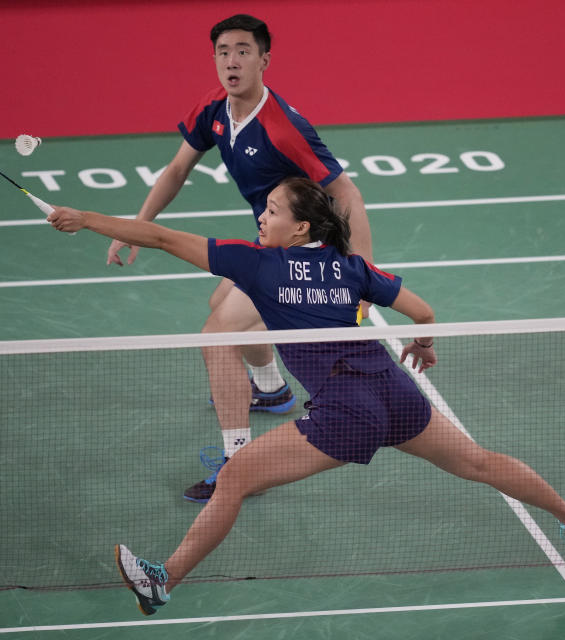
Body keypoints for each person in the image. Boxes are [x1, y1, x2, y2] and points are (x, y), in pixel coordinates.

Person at [47, 177, 565, 617]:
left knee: (235, 478)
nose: (261, 217)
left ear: (299, 228)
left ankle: (161, 582)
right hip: (396, 393)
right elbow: (423, 311)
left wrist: (86, 219)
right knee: (477, 460)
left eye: (271, 210)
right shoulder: (351, 268)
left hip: (347, 411)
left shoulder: (258, 264)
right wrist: (425, 345)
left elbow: (164, 238)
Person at [104, 14, 374, 504]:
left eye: (244, 51)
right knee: (223, 304)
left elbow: (347, 192)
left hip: (308, 249)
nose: (232, 60)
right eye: (224, 51)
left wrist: (363, 272)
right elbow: (177, 169)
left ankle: (238, 464)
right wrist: (138, 227)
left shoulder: (284, 127)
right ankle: (271, 390)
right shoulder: (214, 109)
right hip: (274, 241)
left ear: (264, 60)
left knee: (219, 334)